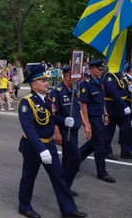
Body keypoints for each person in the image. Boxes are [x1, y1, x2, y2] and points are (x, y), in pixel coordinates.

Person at [18, 64, 87, 218]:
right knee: (29, 177)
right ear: (34, 84)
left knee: (59, 177)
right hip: (33, 147)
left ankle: (68, 210)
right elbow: (28, 129)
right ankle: (24, 206)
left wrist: (64, 121)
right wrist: (41, 150)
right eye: (42, 80)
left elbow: (51, 117)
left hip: (48, 144)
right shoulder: (26, 102)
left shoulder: (47, 99)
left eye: (46, 79)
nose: (46, 82)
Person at [50, 67, 91, 197]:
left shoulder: (73, 90)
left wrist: (86, 125)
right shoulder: (57, 92)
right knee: (75, 159)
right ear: (68, 76)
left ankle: (63, 185)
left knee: (67, 159)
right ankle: (64, 186)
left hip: (74, 131)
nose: (77, 78)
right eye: (75, 76)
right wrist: (56, 133)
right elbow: (53, 114)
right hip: (64, 132)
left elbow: (78, 110)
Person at [79, 60, 116, 183]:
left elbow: (101, 99)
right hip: (92, 118)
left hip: (99, 116)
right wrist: (87, 123)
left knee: (94, 142)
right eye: (99, 69)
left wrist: (105, 113)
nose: (101, 71)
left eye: (102, 69)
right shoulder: (86, 84)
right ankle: (102, 172)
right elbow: (83, 105)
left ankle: (75, 159)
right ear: (92, 68)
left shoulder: (99, 81)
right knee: (99, 144)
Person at [102, 68, 132, 160]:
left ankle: (126, 151)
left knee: (127, 129)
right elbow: (113, 92)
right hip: (112, 108)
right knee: (109, 132)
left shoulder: (118, 74)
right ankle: (106, 151)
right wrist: (124, 105)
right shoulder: (108, 75)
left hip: (121, 108)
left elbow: (123, 89)